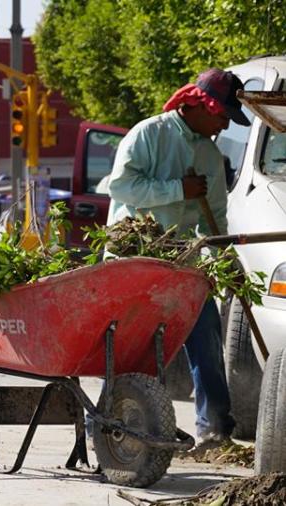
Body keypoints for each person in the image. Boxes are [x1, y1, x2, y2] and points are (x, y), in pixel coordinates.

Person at [97, 68, 251, 449]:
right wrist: (177, 189)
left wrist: (219, 260)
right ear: (200, 104)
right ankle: (107, 427)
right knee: (128, 347)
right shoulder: (149, 134)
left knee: (206, 335)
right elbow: (119, 186)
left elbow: (214, 218)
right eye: (221, 116)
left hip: (181, 258)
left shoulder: (210, 156)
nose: (221, 126)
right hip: (134, 257)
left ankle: (215, 429)